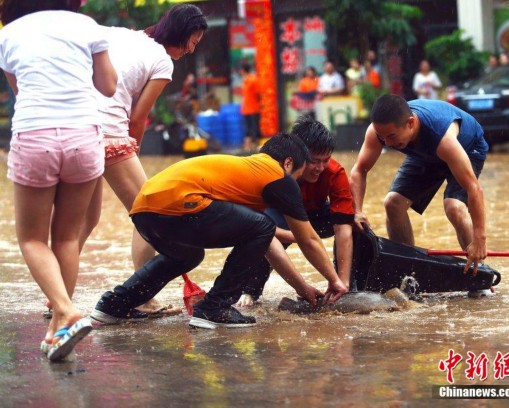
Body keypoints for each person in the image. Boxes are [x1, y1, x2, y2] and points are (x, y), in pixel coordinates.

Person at [90, 133, 349, 329]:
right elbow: (309, 239)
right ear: (288, 162)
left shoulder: (243, 174)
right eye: (297, 176)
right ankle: (215, 307)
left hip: (145, 211)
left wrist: (303, 289)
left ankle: (114, 305)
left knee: (188, 256)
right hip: (179, 204)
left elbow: (266, 241)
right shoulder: (276, 174)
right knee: (263, 226)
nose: (295, 184)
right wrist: (335, 281)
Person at [0, 0, 118, 360]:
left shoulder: (8, 34)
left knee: (33, 239)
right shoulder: (86, 25)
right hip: (84, 136)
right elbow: (109, 86)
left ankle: (65, 312)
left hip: (36, 136)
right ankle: (58, 326)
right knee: (67, 236)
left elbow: (21, 92)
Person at [79, 4, 207, 318]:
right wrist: (131, 149)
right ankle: (141, 297)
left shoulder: (122, 36)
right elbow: (138, 118)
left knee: (83, 221)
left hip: (78, 129)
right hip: (110, 133)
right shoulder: (163, 61)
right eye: (192, 41)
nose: (191, 50)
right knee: (150, 211)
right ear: (180, 33)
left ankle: (56, 298)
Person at [349, 94, 490, 297]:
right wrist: (357, 211)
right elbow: (359, 170)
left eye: (392, 136)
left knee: (454, 207)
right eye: (383, 138)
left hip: (467, 148)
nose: (386, 143)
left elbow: (474, 189)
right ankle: (409, 274)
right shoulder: (380, 132)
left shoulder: (443, 138)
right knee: (393, 203)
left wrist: (480, 238)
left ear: (411, 123)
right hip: (426, 155)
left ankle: (480, 277)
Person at [236, 115, 355, 307]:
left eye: (325, 160)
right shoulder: (275, 169)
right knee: (261, 235)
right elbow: (252, 223)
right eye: (314, 161)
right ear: (297, 155)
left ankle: (349, 286)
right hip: (279, 215)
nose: (320, 168)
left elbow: (342, 228)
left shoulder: (334, 172)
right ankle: (250, 289)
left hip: (314, 213)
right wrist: (297, 236)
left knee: (354, 226)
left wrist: (342, 280)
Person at [239, 61, 262, 152]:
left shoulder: (253, 80)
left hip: (254, 109)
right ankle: (248, 147)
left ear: (243, 70)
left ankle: (256, 146)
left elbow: (258, 94)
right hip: (246, 109)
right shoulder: (245, 80)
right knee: (248, 128)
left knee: (255, 129)